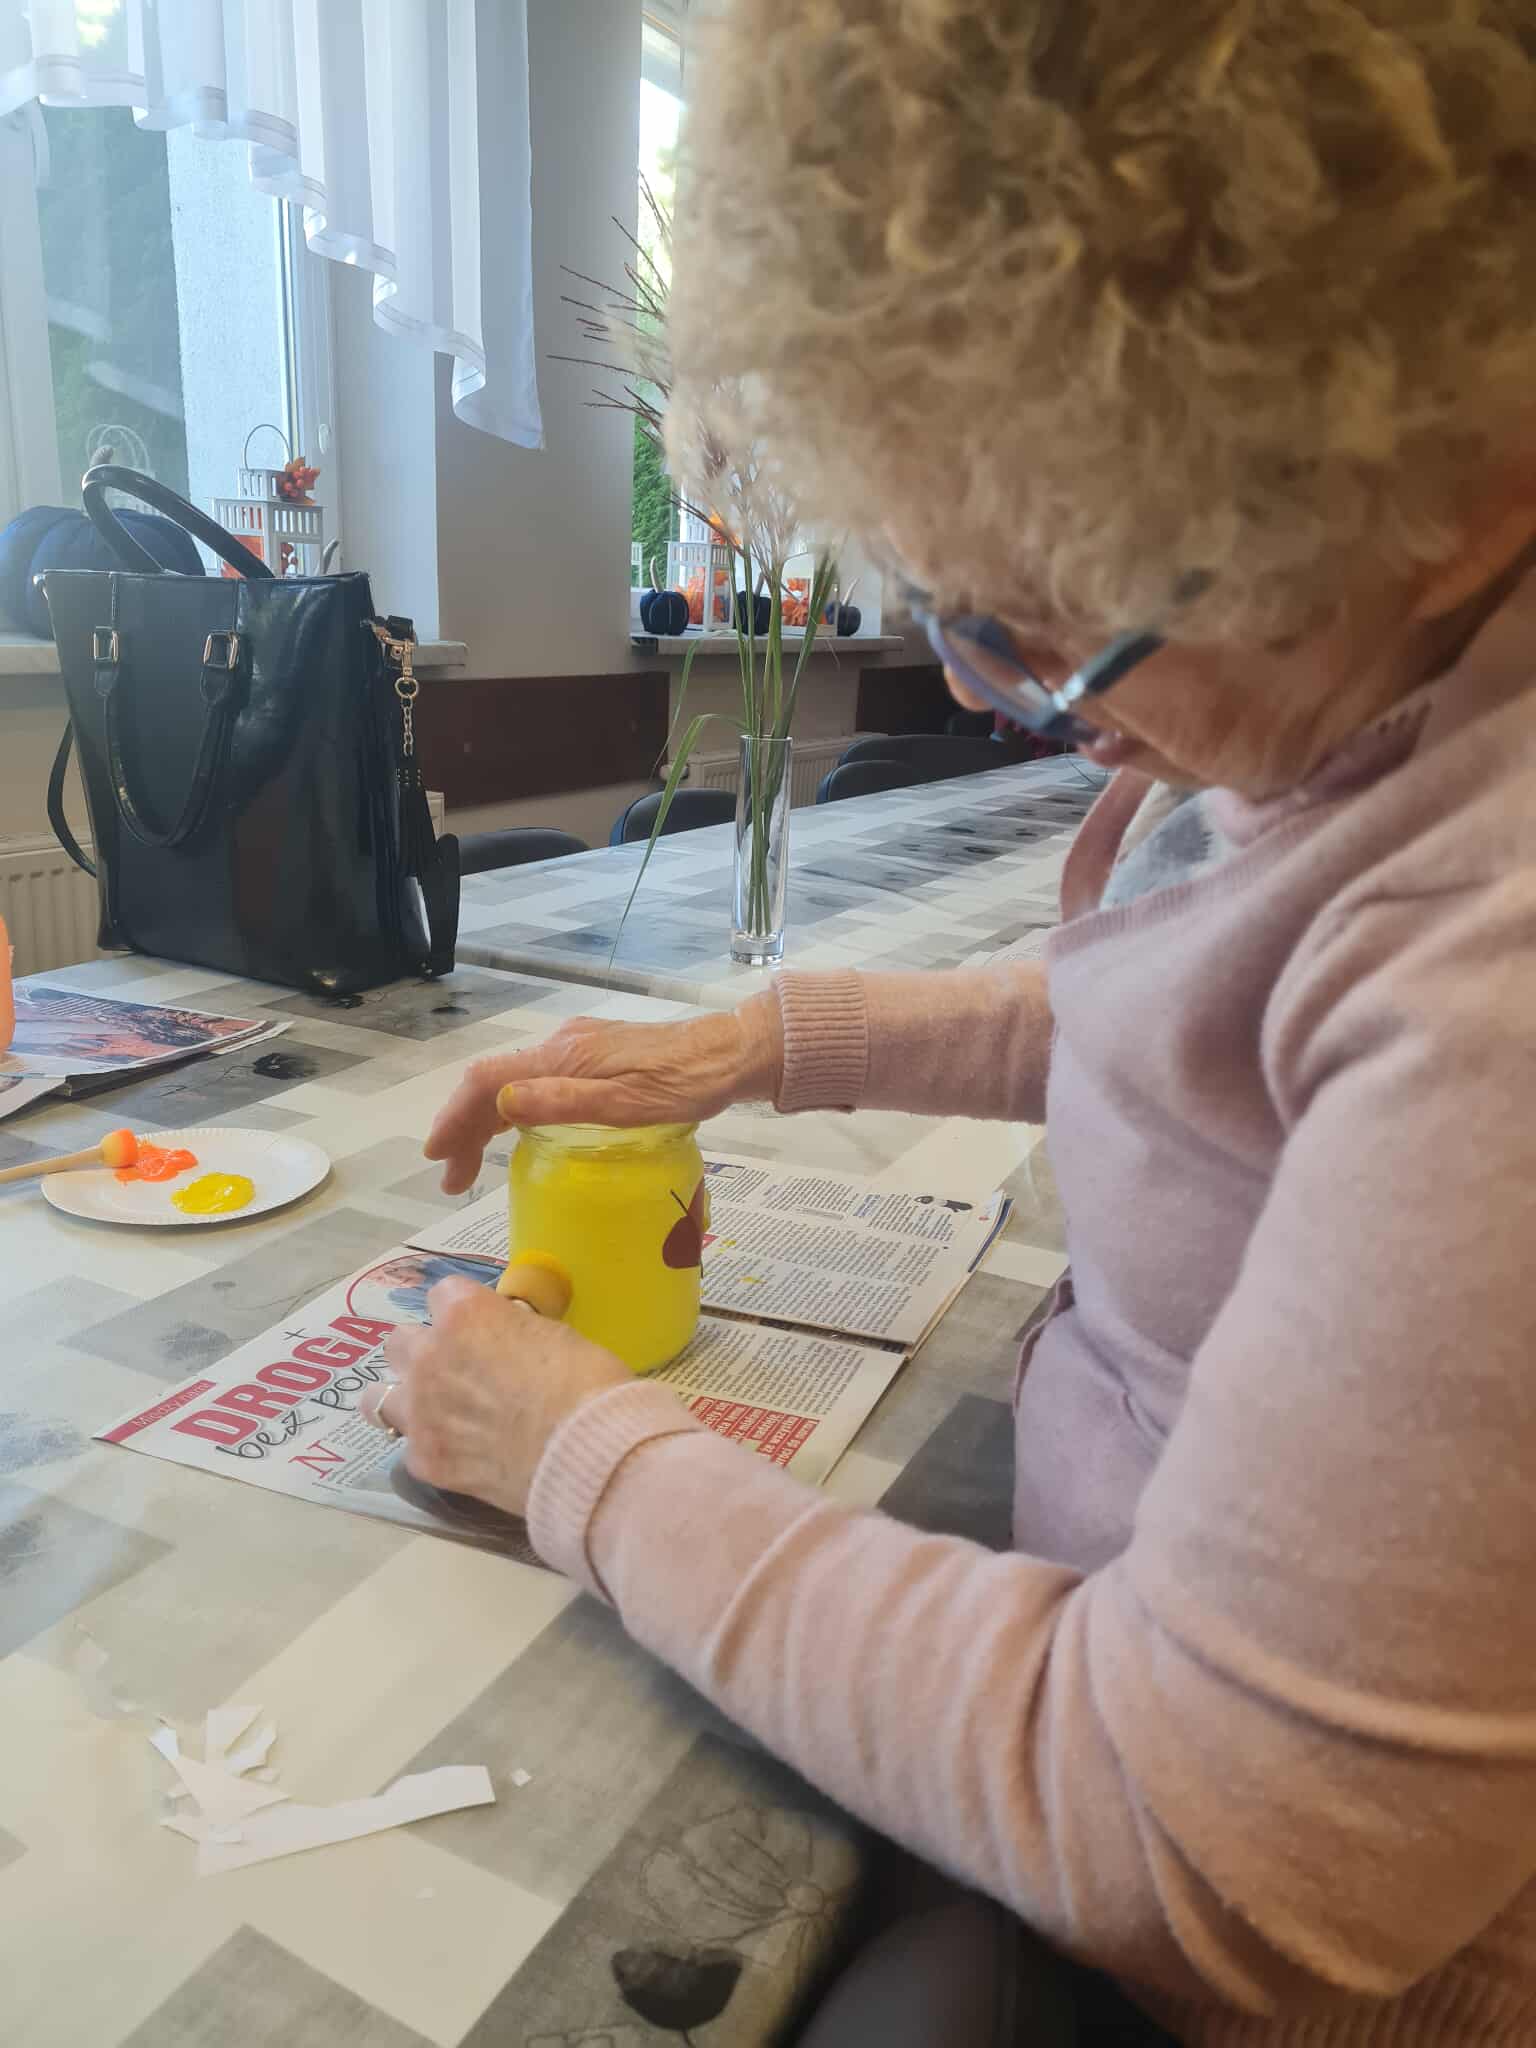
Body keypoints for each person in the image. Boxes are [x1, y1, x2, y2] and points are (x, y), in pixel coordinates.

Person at [371, 5, 1536, 2040]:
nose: (1026, 708)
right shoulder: (1386, 688)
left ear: (1451, 482)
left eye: (1033, 625)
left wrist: (578, 1455)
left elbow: (1200, 1843)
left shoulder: (1499, 954)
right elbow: (1210, 1046)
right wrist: (759, 1045)